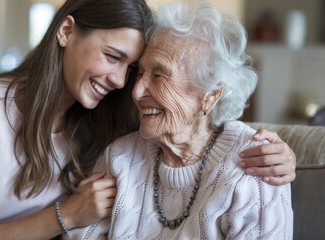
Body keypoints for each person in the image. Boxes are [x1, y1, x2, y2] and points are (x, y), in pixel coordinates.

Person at [0, 0, 294, 239]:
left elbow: (202, 133)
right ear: (66, 31)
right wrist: (67, 215)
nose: (125, 84)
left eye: (134, 70)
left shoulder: (118, 122)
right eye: (113, 57)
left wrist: (283, 155)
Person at [68, 1, 293, 239]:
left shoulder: (256, 166)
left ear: (210, 96)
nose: (136, 91)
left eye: (159, 75)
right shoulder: (120, 158)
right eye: (141, 73)